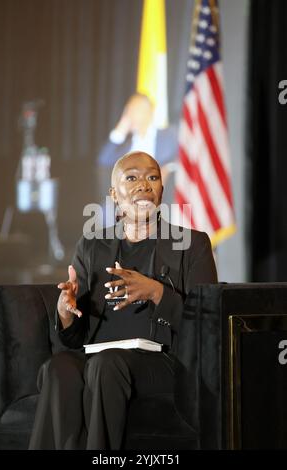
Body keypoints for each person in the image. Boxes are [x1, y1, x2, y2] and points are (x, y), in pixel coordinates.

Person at [29, 151, 217, 450]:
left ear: (161, 191)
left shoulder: (192, 244)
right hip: (99, 356)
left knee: (106, 365)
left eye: (152, 177)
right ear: (114, 194)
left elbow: (209, 324)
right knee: (59, 367)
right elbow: (73, 335)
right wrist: (66, 310)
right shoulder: (91, 245)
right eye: (132, 177)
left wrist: (156, 292)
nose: (144, 184)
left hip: (166, 362)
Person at [97, 94, 179, 225]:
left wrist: (168, 168)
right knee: (106, 211)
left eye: (134, 110)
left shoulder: (169, 135)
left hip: (160, 195)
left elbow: (185, 158)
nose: (130, 115)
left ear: (149, 112)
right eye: (128, 111)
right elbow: (103, 160)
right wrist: (119, 132)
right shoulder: (124, 143)